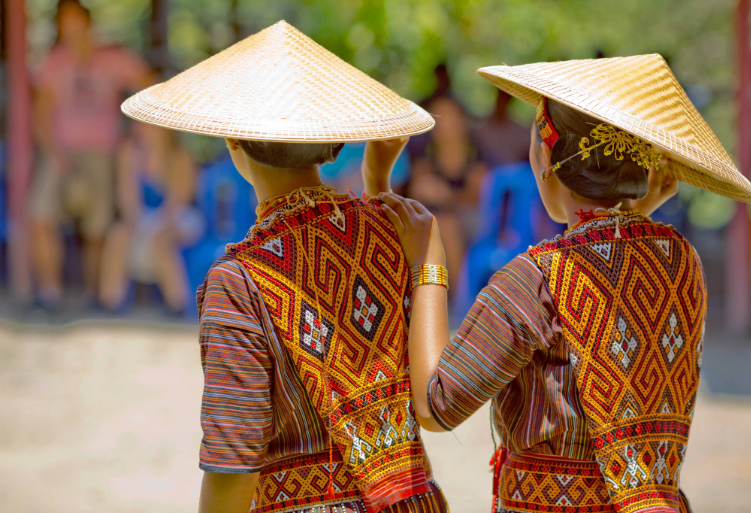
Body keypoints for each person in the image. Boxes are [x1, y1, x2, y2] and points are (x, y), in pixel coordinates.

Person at [374, 54, 751, 513]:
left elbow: (436, 405)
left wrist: (428, 259)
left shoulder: (534, 281)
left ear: (544, 156)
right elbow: (611, 265)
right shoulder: (682, 262)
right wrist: (635, 213)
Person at [121, 21, 446, 513]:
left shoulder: (238, 281)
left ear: (233, 140)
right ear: (335, 142)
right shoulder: (394, 234)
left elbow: (235, 465)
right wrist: (377, 179)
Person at [30, 0, 153, 309]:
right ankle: (50, 293)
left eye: (75, 21)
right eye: (63, 22)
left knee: (97, 227)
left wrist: (139, 132)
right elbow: (41, 114)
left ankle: (93, 295)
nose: (69, 28)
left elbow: (149, 83)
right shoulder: (53, 62)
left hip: (102, 153)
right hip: (60, 154)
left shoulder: (112, 58)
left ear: (87, 23)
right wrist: (52, 153)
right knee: (41, 217)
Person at [99, 122, 201, 314]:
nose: (139, 127)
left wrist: (154, 226)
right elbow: (127, 198)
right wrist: (135, 224)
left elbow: (181, 198)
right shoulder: (129, 152)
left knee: (161, 240)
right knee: (118, 234)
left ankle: (177, 304)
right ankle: (110, 301)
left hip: (180, 216)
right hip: (144, 216)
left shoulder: (179, 155)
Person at [407, 95, 487, 302]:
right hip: (437, 218)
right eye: (437, 118)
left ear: (461, 121)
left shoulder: (476, 153)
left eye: (448, 117)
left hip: (474, 219)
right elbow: (416, 191)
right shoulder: (427, 155)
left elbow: (481, 196)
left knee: (445, 226)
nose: (443, 123)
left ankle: (461, 303)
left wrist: (448, 195)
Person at [473, 90, 531, 168]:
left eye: (505, 99)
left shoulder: (521, 132)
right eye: (500, 98)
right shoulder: (480, 129)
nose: (502, 103)